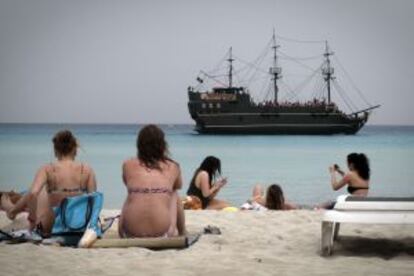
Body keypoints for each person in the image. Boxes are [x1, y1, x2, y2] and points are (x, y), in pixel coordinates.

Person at [0, 130, 97, 237]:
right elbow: (94, 201)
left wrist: (32, 219)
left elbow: (33, 194)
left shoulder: (47, 169)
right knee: (41, 192)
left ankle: (12, 210)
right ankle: (12, 210)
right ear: (75, 150)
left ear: (55, 151)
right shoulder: (87, 170)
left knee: (38, 190)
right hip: (79, 225)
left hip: (51, 226)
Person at [119, 124, 186, 238]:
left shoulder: (127, 164)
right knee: (174, 192)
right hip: (163, 233)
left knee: (133, 192)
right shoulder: (173, 166)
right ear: (163, 145)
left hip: (128, 232)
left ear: (139, 145)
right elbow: (178, 186)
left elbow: (127, 183)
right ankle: (183, 232)